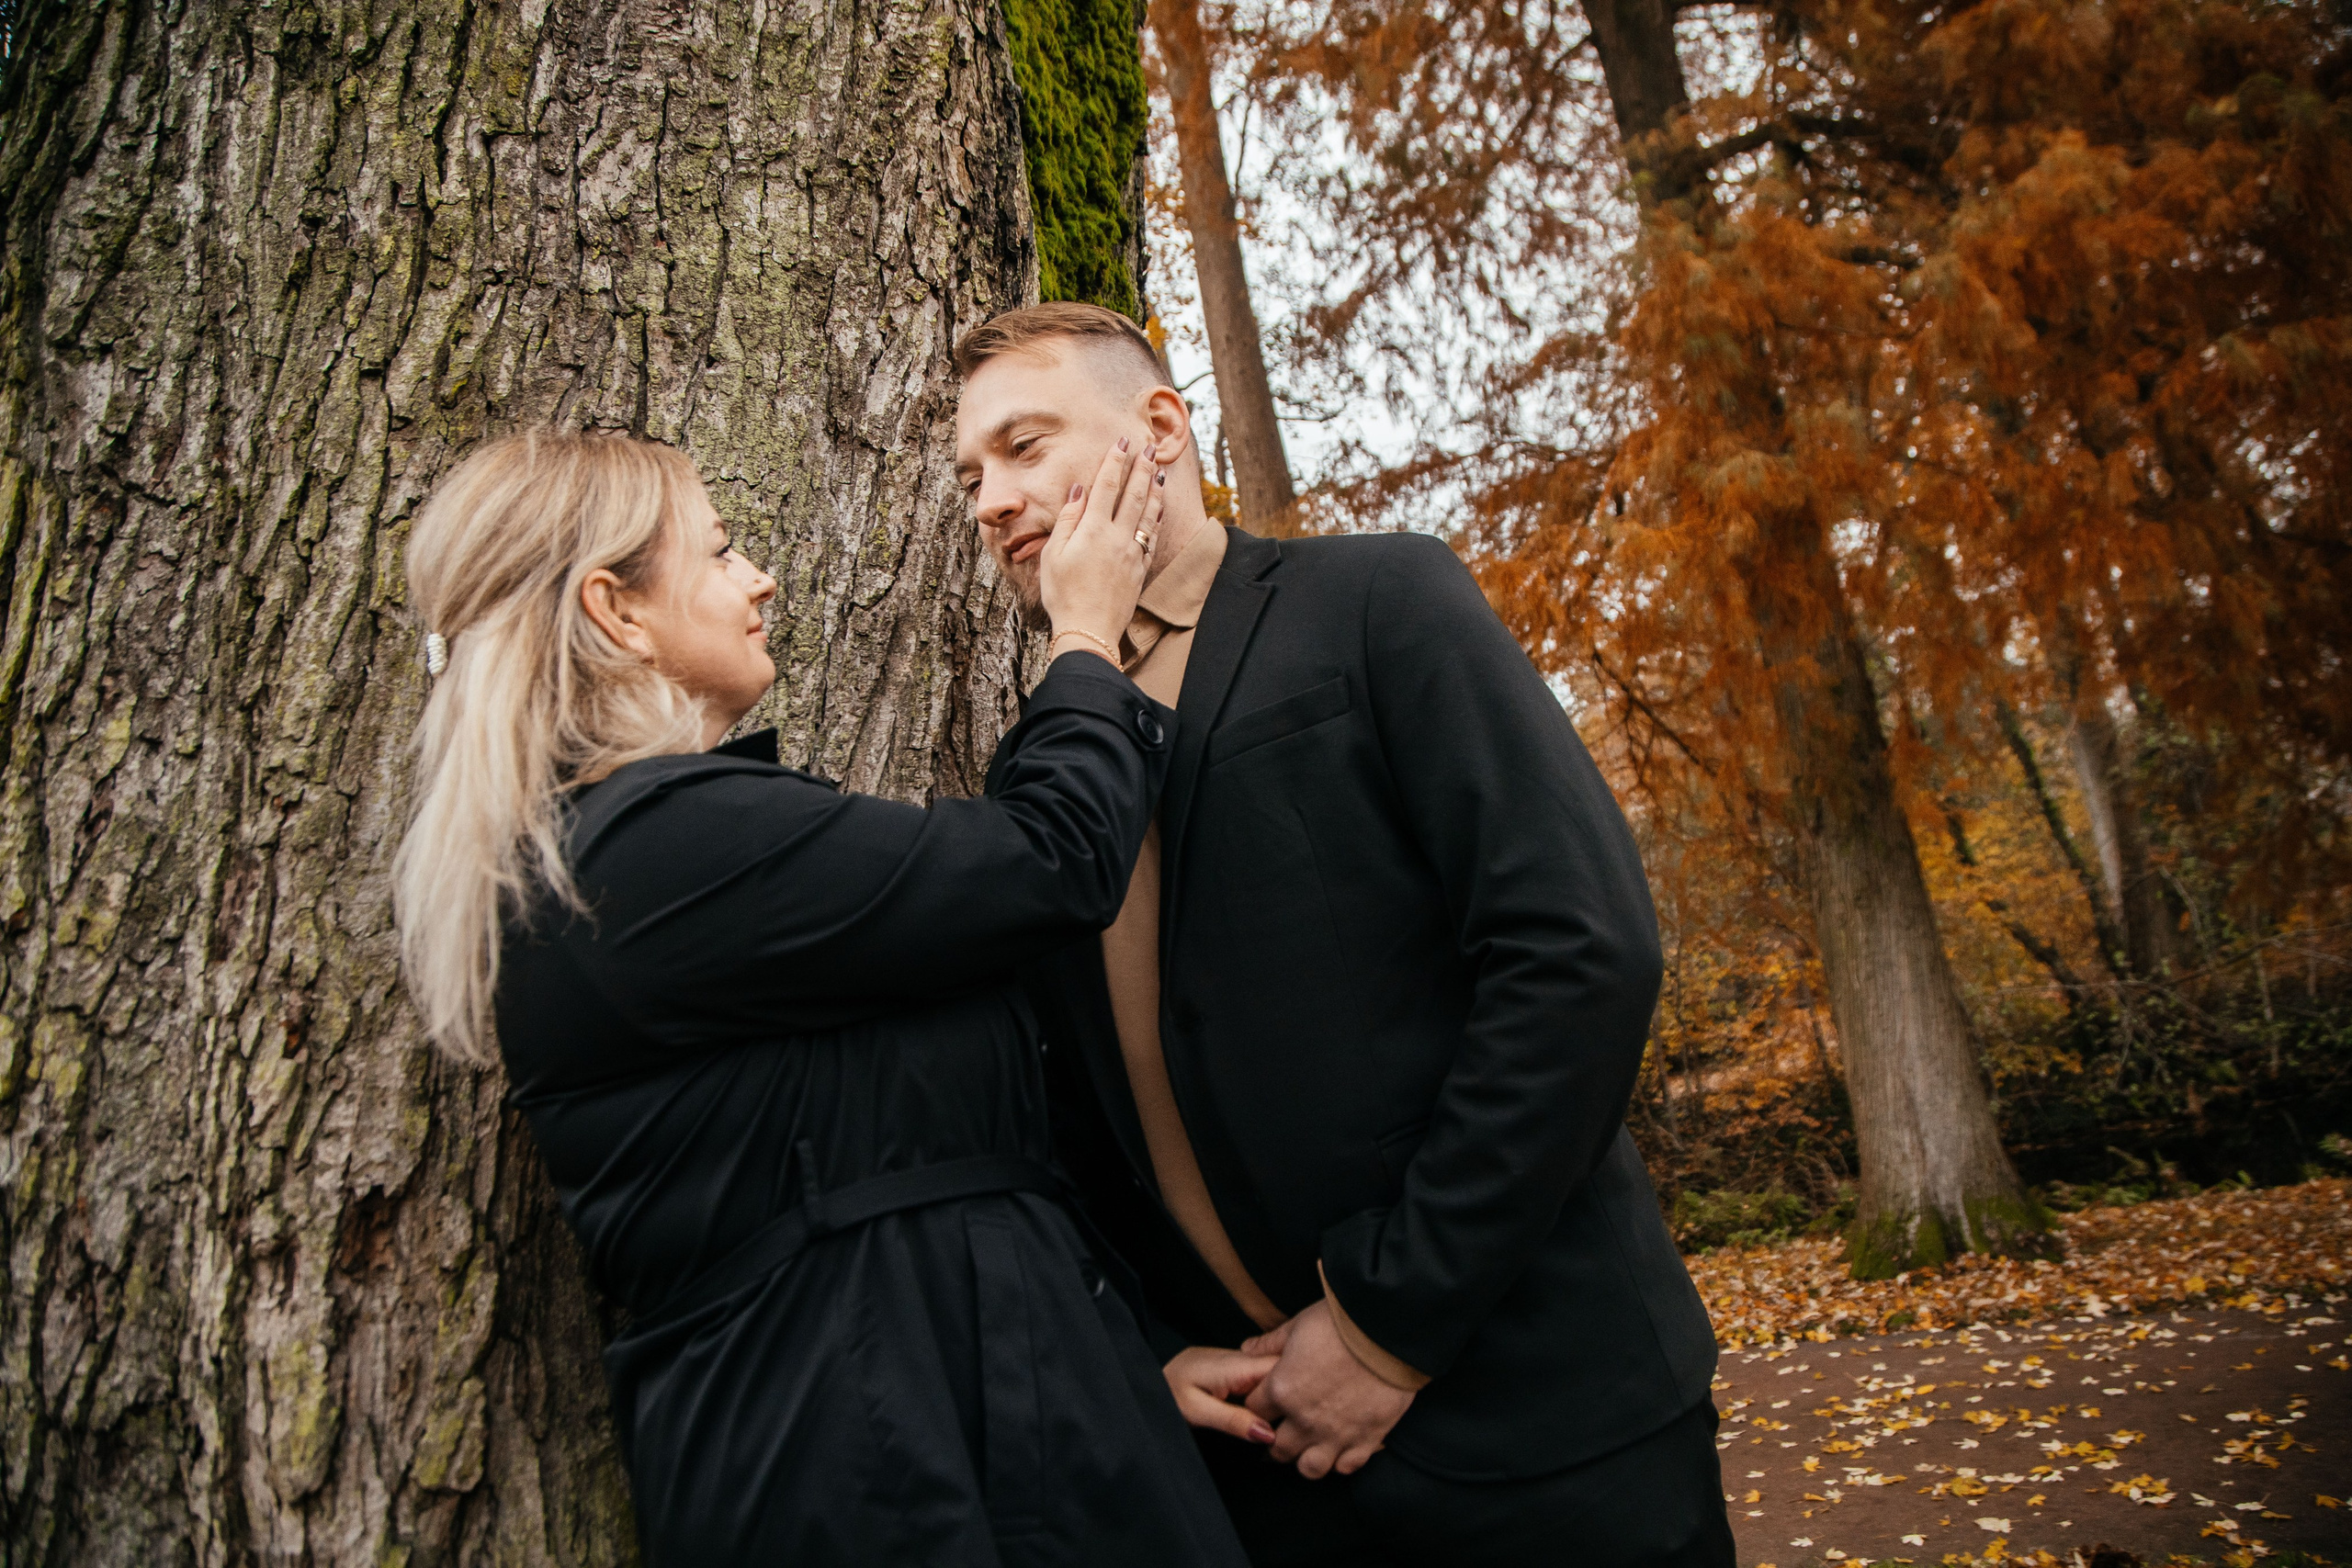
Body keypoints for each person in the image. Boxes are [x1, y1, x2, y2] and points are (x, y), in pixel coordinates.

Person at [954, 303, 1736, 1568]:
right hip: (1266, 1478)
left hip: (1545, 1425)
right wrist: (1146, 1340)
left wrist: (1389, 1321)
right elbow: (1067, 1111)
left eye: (1026, 444)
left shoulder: (1379, 600)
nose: (993, 499)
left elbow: (1581, 951)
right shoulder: (1038, 769)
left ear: (1161, 428)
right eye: (971, 475)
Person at [390, 427, 1252, 1567]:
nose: (761, 577)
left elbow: (903, 1143)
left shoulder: (648, 852)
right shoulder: (650, 849)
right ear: (617, 611)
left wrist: (1123, 1349)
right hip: (870, 1457)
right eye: (720, 552)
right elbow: (1048, 859)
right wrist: (1085, 635)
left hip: (940, 1415)